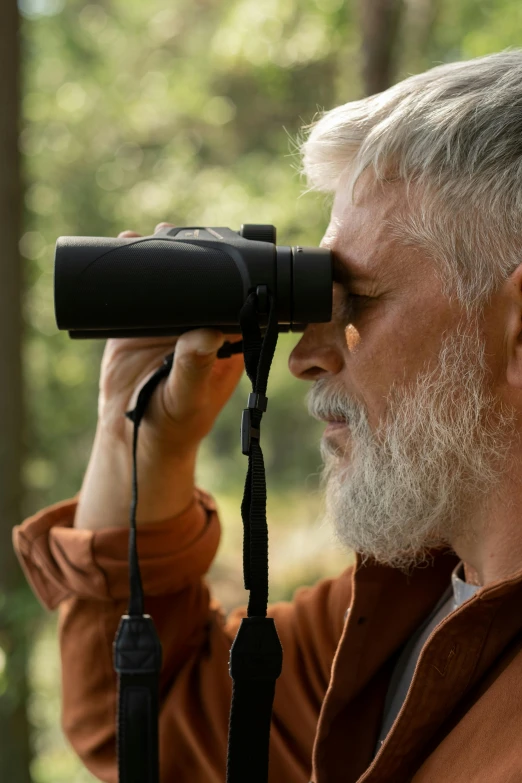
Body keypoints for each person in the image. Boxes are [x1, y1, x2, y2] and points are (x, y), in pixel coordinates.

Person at [13, 49, 522, 782]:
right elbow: (147, 727)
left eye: (358, 300)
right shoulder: (408, 610)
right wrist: (144, 440)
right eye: (315, 294)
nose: (305, 354)